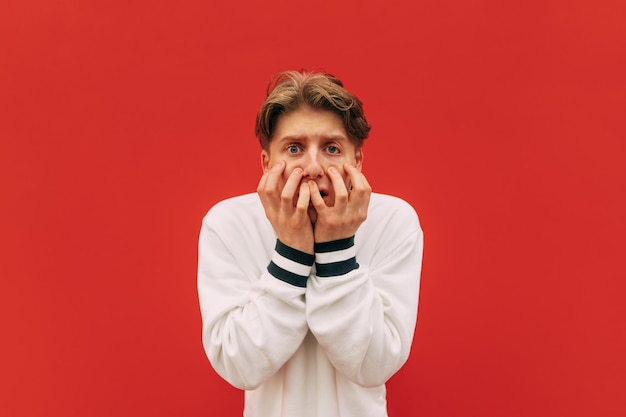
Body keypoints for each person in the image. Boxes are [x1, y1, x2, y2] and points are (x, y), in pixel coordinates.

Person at [197, 70, 423, 417]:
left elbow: (376, 364)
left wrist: (337, 249)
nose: (314, 166)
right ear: (267, 163)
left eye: (332, 148)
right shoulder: (227, 224)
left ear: (357, 162)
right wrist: (291, 252)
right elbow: (239, 365)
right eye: (294, 148)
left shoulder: (394, 221)